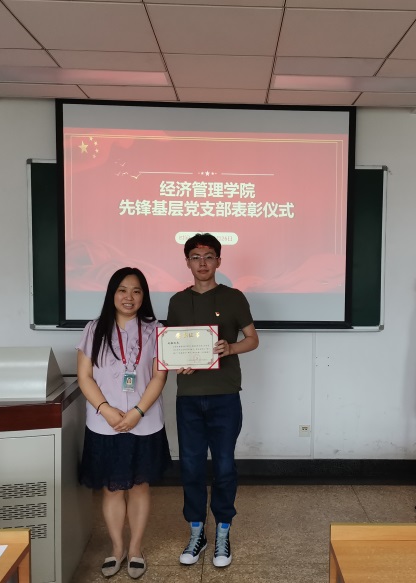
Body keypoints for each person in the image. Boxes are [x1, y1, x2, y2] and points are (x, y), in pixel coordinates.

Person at [166, 233, 259, 568]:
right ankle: (196, 532)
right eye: (195, 256)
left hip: (224, 395)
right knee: (190, 466)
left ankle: (222, 531)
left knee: (223, 466)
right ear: (187, 262)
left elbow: (253, 339)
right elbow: (171, 345)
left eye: (208, 256)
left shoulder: (234, 298)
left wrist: (230, 348)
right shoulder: (177, 301)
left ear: (218, 261)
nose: (202, 263)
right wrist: (179, 361)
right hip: (189, 397)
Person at [76, 267, 171, 579]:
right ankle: (117, 548)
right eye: (122, 290)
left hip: (145, 422)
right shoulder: (94, 329)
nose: (129, 297)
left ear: (144, 296)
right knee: (112, 489)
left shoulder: (156, 330)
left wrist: (137, 412)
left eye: (136, 291)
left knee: (140, 488)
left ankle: (135, 549)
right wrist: (105, 409)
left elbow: (159, 377)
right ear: (112, 294)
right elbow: (84, 376)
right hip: (104, 423)